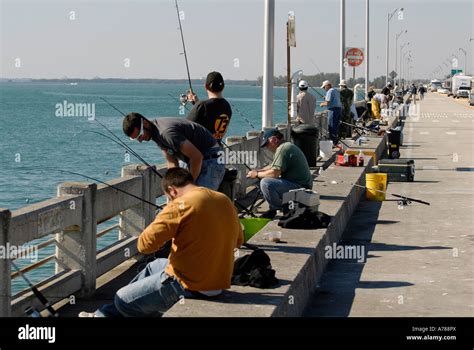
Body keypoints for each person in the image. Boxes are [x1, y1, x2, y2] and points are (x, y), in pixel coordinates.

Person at [79, 168, 243, 317]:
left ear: (172, 190)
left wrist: (166, 212)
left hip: (187, 286)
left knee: (122, 300)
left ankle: (114, 312)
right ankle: (106, 313)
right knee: (154, 266)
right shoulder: (223, 200)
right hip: (218, 283)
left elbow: (144, 246)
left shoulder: (179, 205)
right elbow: (238, 241)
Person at [123, 114, 225, 190]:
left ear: (145, 123)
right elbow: (171, 162)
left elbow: (197, 157)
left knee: (200, 205)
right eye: (136, 139)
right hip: (193, 160)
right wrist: (172, 184)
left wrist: (187, 185)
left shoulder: (166, 133)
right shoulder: (154, 133)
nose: (141, 140)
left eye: (140, 135)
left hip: (211, 160)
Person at [246, 129, 312, 219]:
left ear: (273, 140)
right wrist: (258, 171)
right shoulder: (286, 146)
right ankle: (282, 206)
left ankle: (274, 209)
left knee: (266, 183)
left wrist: (256, 175)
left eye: (267, 144)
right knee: (264, 178)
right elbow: (273, 166)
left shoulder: (282, 149)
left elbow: (274, 173)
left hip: (301, 188)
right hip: (302, 185)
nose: (267, 148)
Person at [186, 71, 232, 142]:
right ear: (223, 86)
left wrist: (197, 106)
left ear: (205, 86)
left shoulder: (202, 106)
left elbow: (184, 127)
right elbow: (212, 114)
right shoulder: (227, 106)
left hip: (202, 152)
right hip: (218, 150)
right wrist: (197, 104)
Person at [319, 80, 342, 145]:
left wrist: (322, 104)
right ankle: (336, 141)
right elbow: (334, 99)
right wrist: (325, 98)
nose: (324, 89)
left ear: (327, 86)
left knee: (331, 126)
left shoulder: (329, 91)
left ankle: (333, 142)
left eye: (324, 87)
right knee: (336, 126)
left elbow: (327, 102)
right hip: (339, 110)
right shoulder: (335, 90)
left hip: (333, 111)